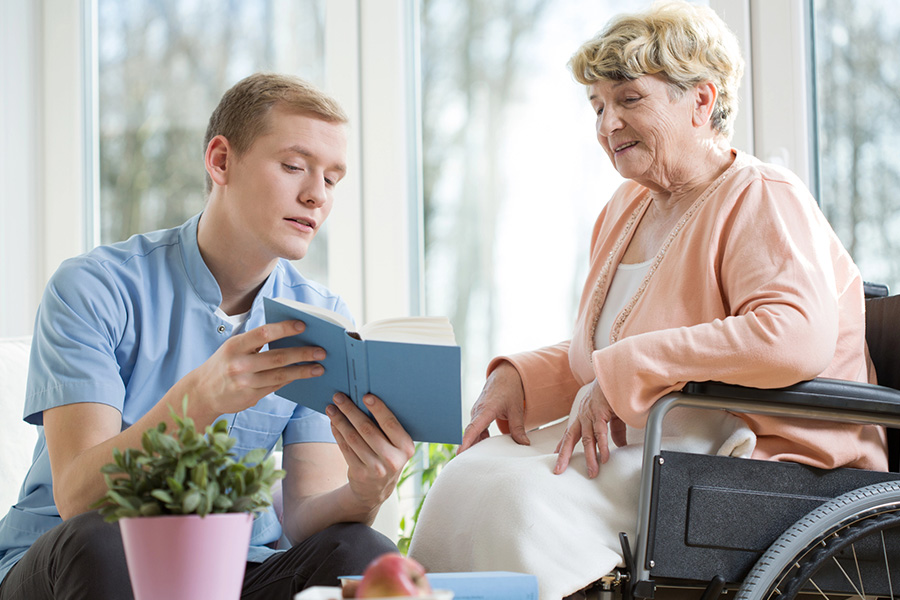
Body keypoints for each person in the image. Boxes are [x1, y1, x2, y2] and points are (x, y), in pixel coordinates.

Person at [407, 2, 888, 598]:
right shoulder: (626, 208)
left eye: (629, 99)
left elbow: (792, 335)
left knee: (517, 500)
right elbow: (616, 350)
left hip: (760, 453)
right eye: (598, 106)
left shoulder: (761, 194)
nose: (608, 125)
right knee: (469, 477)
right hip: (668, 436)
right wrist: (524, 379)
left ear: (702, 101)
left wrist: (625, 371)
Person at [0, 72, 415, 600]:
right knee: (106, 537)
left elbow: (309, 515)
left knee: (363, 550)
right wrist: (198, 401)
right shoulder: (94, 287)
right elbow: (80, 496)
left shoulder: (321, 318)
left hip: (231, 570)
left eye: (331, 180)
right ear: (221, 161)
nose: (316, 196)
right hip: (70, 560)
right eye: (294, 166)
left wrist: (365, 490)